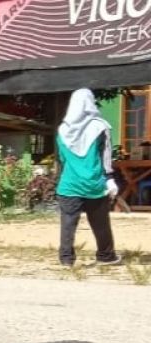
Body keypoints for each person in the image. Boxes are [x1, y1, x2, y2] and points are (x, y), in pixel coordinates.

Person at [55, 88, 121, 268]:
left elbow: (61, 159)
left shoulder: (62, 130)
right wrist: (109, 178)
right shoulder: (101, 127)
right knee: (100, 224)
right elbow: (106, 157)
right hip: (94, 184)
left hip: (68, 185)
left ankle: (66, 260)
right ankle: (106, 256)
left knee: (68, 224)